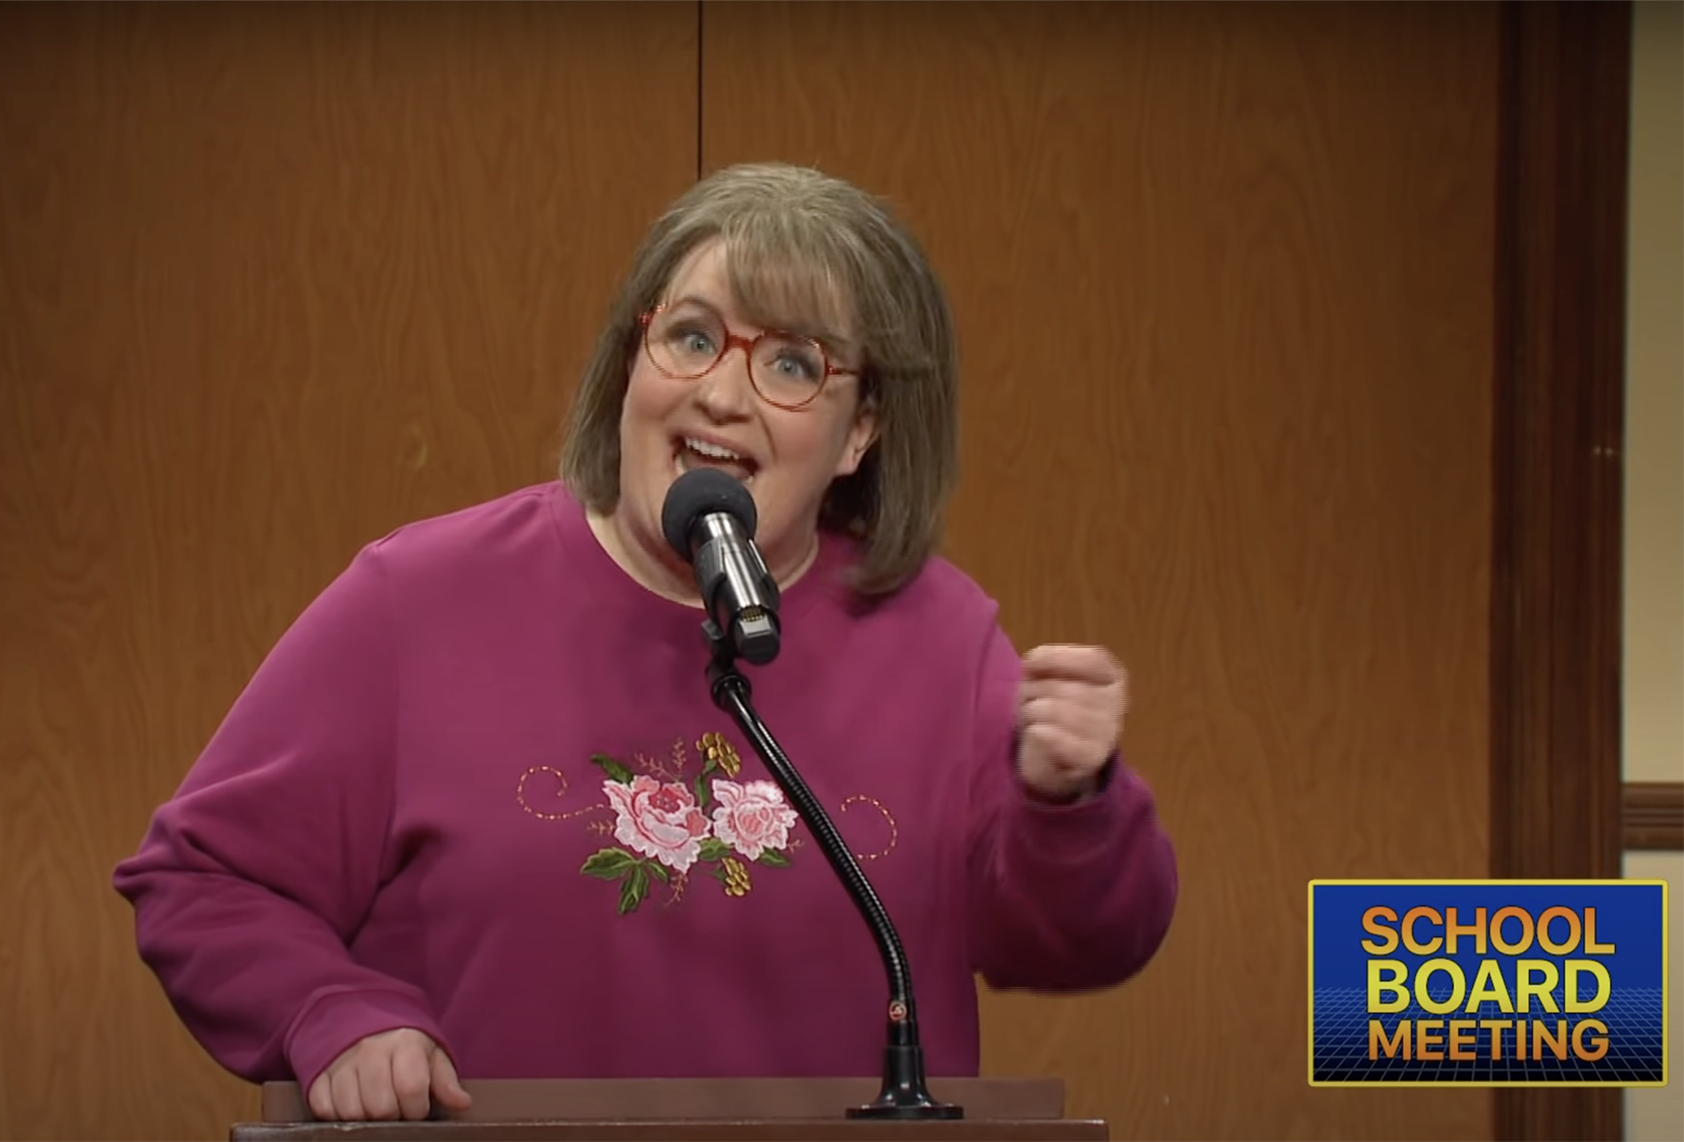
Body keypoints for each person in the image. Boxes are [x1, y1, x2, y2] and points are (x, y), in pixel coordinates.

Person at [112, 162, 1179, 1123]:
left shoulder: (943, 637)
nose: (719, 391)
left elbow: (1081, 939)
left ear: (862, 431)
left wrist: (1067, 802)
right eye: (693, 335)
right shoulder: (416, 600)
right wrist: (332, 1007)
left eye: (795, 363)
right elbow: (202, 878)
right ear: (636, 350)